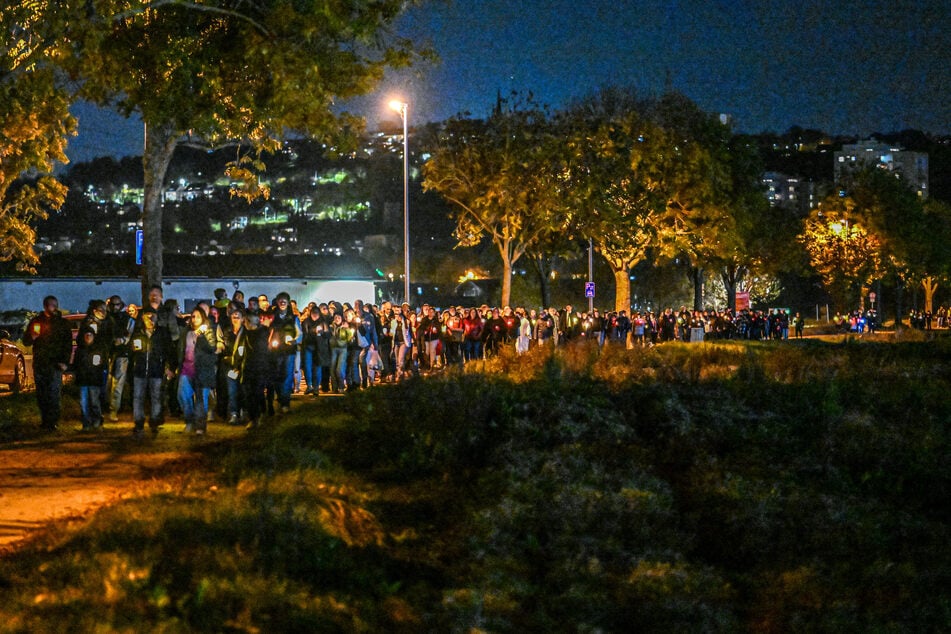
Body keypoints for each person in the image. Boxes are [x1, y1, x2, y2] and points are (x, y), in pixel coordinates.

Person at [22, 296, 73, 431]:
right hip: (40, 363)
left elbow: (67, 344)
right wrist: (32, 337)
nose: (54, 308)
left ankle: (53, 422)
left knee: (54, 393)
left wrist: (65, 362)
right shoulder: (36, 321)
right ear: (45, 306)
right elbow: (26, 341)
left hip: (55, 363)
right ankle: (45, 421)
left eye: (55, 305)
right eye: (51, 305)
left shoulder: (62, 323)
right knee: (42, 394)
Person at [129, 308, 176, 436]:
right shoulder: (138, 332)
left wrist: (170, 367)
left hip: (156, 370)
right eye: (147, 316)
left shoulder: (162, 333)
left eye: (152, 316)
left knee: (156, 397)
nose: (150, 319)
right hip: (139, 370)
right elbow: (131, 351)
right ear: (142, 318)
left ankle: (154, 422)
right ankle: (139, 424)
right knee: (138, 398)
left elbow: (170, 351)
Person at [178, 307, 217, 435]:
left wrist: (201, 337)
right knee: (183, 395)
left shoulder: (208, 332)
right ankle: (189, 421)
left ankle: (200, 425)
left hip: (202, 369)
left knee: (201, 399)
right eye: (193, 316)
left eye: (198, 316)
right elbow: (181, 349)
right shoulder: (186, 332)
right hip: (187, 368)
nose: (195, 319)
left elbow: (212, 348)